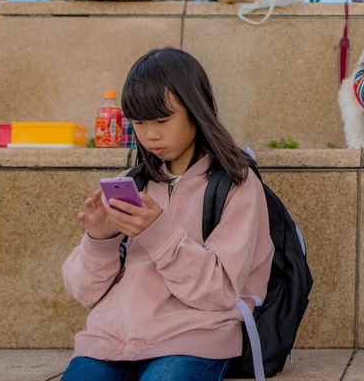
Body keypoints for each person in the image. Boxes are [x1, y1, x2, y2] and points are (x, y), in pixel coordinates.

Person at [61, 47, 273, 381]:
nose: (151, 135)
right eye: (139, 122)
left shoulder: (236, 184)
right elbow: (85, 293)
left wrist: (157, 234)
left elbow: (220, 291)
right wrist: (99, 240)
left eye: (162, 120)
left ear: (196, 110)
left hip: (194, 339)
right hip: (110, 342)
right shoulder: (131, 183)